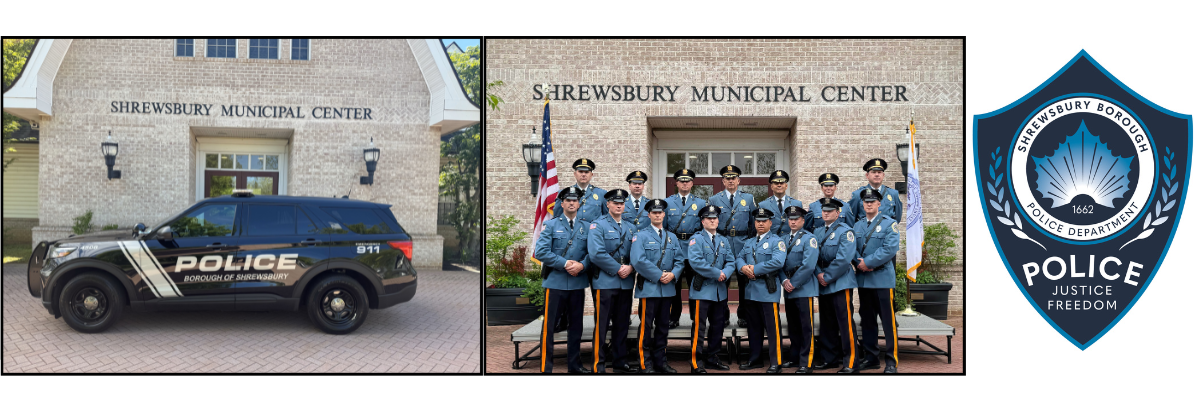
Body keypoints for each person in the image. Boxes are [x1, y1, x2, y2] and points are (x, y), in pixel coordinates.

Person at [534, 186, 593, 374]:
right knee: (550, 328)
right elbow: (542, 251)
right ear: (562, 203)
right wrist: (567, 263)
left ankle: (574, 366)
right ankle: (546, 367)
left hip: (577, 283)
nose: (572, 203)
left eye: (575, 200)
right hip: (556, 283)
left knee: (576, 327)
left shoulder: (587, 226)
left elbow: (593, 252)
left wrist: (582, 265)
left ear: (579, 203)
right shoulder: (551, 225)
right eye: (568, 200)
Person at [586, 189, 639, 373]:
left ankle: (620, 362)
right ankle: (597, 365)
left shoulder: (630, 227)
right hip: (605, 281)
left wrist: (631, 267)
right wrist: (618, 268)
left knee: (622, 324)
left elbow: (637, 253)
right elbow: (595, 253)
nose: (618, 205)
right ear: (607, 204)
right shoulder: (597, 225)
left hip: (625, 282)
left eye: (622, 203)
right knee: (601, 325)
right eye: (615, 202)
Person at [630, 199, 685, 374]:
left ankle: (661, 362)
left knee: (663, 328)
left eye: (660, 212)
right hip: (649, 288)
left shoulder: (672, 237)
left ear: (664, 214)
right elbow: (638, 260)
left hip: (667, 289)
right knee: (646, 327)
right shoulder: (641, 235)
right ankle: (645, 363)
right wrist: (659, 275)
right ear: (649, 215)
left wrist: (674, 273)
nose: (657, 215)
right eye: (654, 212)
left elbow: (680, 260)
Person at [852, 188, 901, 374]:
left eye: (873, 201)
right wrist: (860, 263)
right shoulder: (857, 226)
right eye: (866, 201)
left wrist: (869, 262)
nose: (869, 204)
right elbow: (852, 248)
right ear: (862, 204)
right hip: (864, 280)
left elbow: (890, 248)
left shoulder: (890, 224)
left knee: (888, 323)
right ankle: (872, 358)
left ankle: (891, 361)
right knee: (867, 321)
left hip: (882, 280)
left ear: (879, 204)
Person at [734, 208, 787, 373]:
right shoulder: (749, 242)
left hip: (767, 290)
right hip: (751, 291)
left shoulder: (776, 241)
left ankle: (776, 361)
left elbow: (778, 262)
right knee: (754, 328)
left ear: (770, 223)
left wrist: (755, 268)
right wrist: (743, 267)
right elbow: (739, 257)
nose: (761, 223)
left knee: (772, 328)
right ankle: (755, 359)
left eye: (764, 221)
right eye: (758, 221)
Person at [812, 197, 860, 373]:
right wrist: (818, 273)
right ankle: (829, 359)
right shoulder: (817, 232)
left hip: (840, 282)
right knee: (827, 323)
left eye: (830, 211)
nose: (825, 213)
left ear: (838, 213)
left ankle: (851, 362)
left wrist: (828, 276)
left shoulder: (846, 231)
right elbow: (812, 257)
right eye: (824, 211)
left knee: (845, 322)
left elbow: (844, 259)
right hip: (823, 281)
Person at [686, 205, 735, 373]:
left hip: (719, 291)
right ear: (702, 221)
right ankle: (696, 362)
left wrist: (726, 273)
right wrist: (717, 273)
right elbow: (696, 262)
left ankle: (712, 358)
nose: (712, 220)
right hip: (702, 291)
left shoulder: (723, 240)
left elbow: (731, 261)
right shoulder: (696, 239)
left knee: (717, 326)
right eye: (709, 218)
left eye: (715, 218)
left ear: (718, 220)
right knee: (699, 327)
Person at [708, 165, 756, 328]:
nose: (730, 181)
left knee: (744, 281)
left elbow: (753, 222)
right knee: (722, 280)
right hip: (723, 244)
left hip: (743, 243)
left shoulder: (748, 198)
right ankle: (724, 315)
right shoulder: (715, 199)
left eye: (733, 178)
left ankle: (743, 315)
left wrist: (751, 243)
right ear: (723, 181)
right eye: (727, 178)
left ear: (738, 180)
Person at [664, 168, 707, 329]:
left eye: (687, 180)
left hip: (693, 249)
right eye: (681, 180)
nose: (684, 183)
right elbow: (665, 227)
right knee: (673, 284)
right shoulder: (668, 202)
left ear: (692, 183)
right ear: (676, 183)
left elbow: (704, 228)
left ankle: (696, 316)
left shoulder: (701, 203)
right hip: (675, 249)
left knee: (695, 284)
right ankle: (673, 317)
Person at [779, 205, 820, 373]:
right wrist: (783, 281)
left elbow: (809, 265)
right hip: (788, 288)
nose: (793, 221)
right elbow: (779, 263)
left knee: (805, 327)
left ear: (803, 221)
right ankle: (795, 357)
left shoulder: (809, 239)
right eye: (791, 219)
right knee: (793, 326)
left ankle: (807, 361)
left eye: (796, 219)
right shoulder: (782, 239)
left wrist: (793, 283)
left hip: (803, 288)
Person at [847, 158, 903, 222]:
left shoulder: (893, 193)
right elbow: (851, 218)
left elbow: (897, 218)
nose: (877, 175)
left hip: (886, 231)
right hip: (866, 231)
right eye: (873, 172)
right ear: (867, 175)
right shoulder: (858, 194)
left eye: (879, 172)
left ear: (883, 175)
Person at [554, 158, 609, 222]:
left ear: (591, 175)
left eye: (586, 172)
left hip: (594, 231)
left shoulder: (601, 194)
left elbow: (607, 217)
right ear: (575, 174)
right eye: (580, 172)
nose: (583, 174)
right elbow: (557, 217)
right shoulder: (563, 193)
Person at [758, 170, 805, 237]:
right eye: (776, 183)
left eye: (782, 183)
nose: (779, 185)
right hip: (771, 243)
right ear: (771, 186)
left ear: (786, 186)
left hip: (791, 243)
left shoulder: (797, 204)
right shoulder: (763, 205)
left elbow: (802, 226)